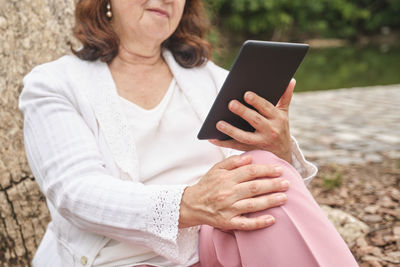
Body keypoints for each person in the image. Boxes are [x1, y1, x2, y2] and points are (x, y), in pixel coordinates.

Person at [19, 0, 358, 266]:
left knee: (267, 170)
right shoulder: (54, 84)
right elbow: (76, 193)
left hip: (219, 245)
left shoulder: (213, 78)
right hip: (126, 258)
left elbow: (268, 189)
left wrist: (279, 152)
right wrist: (189, 203)